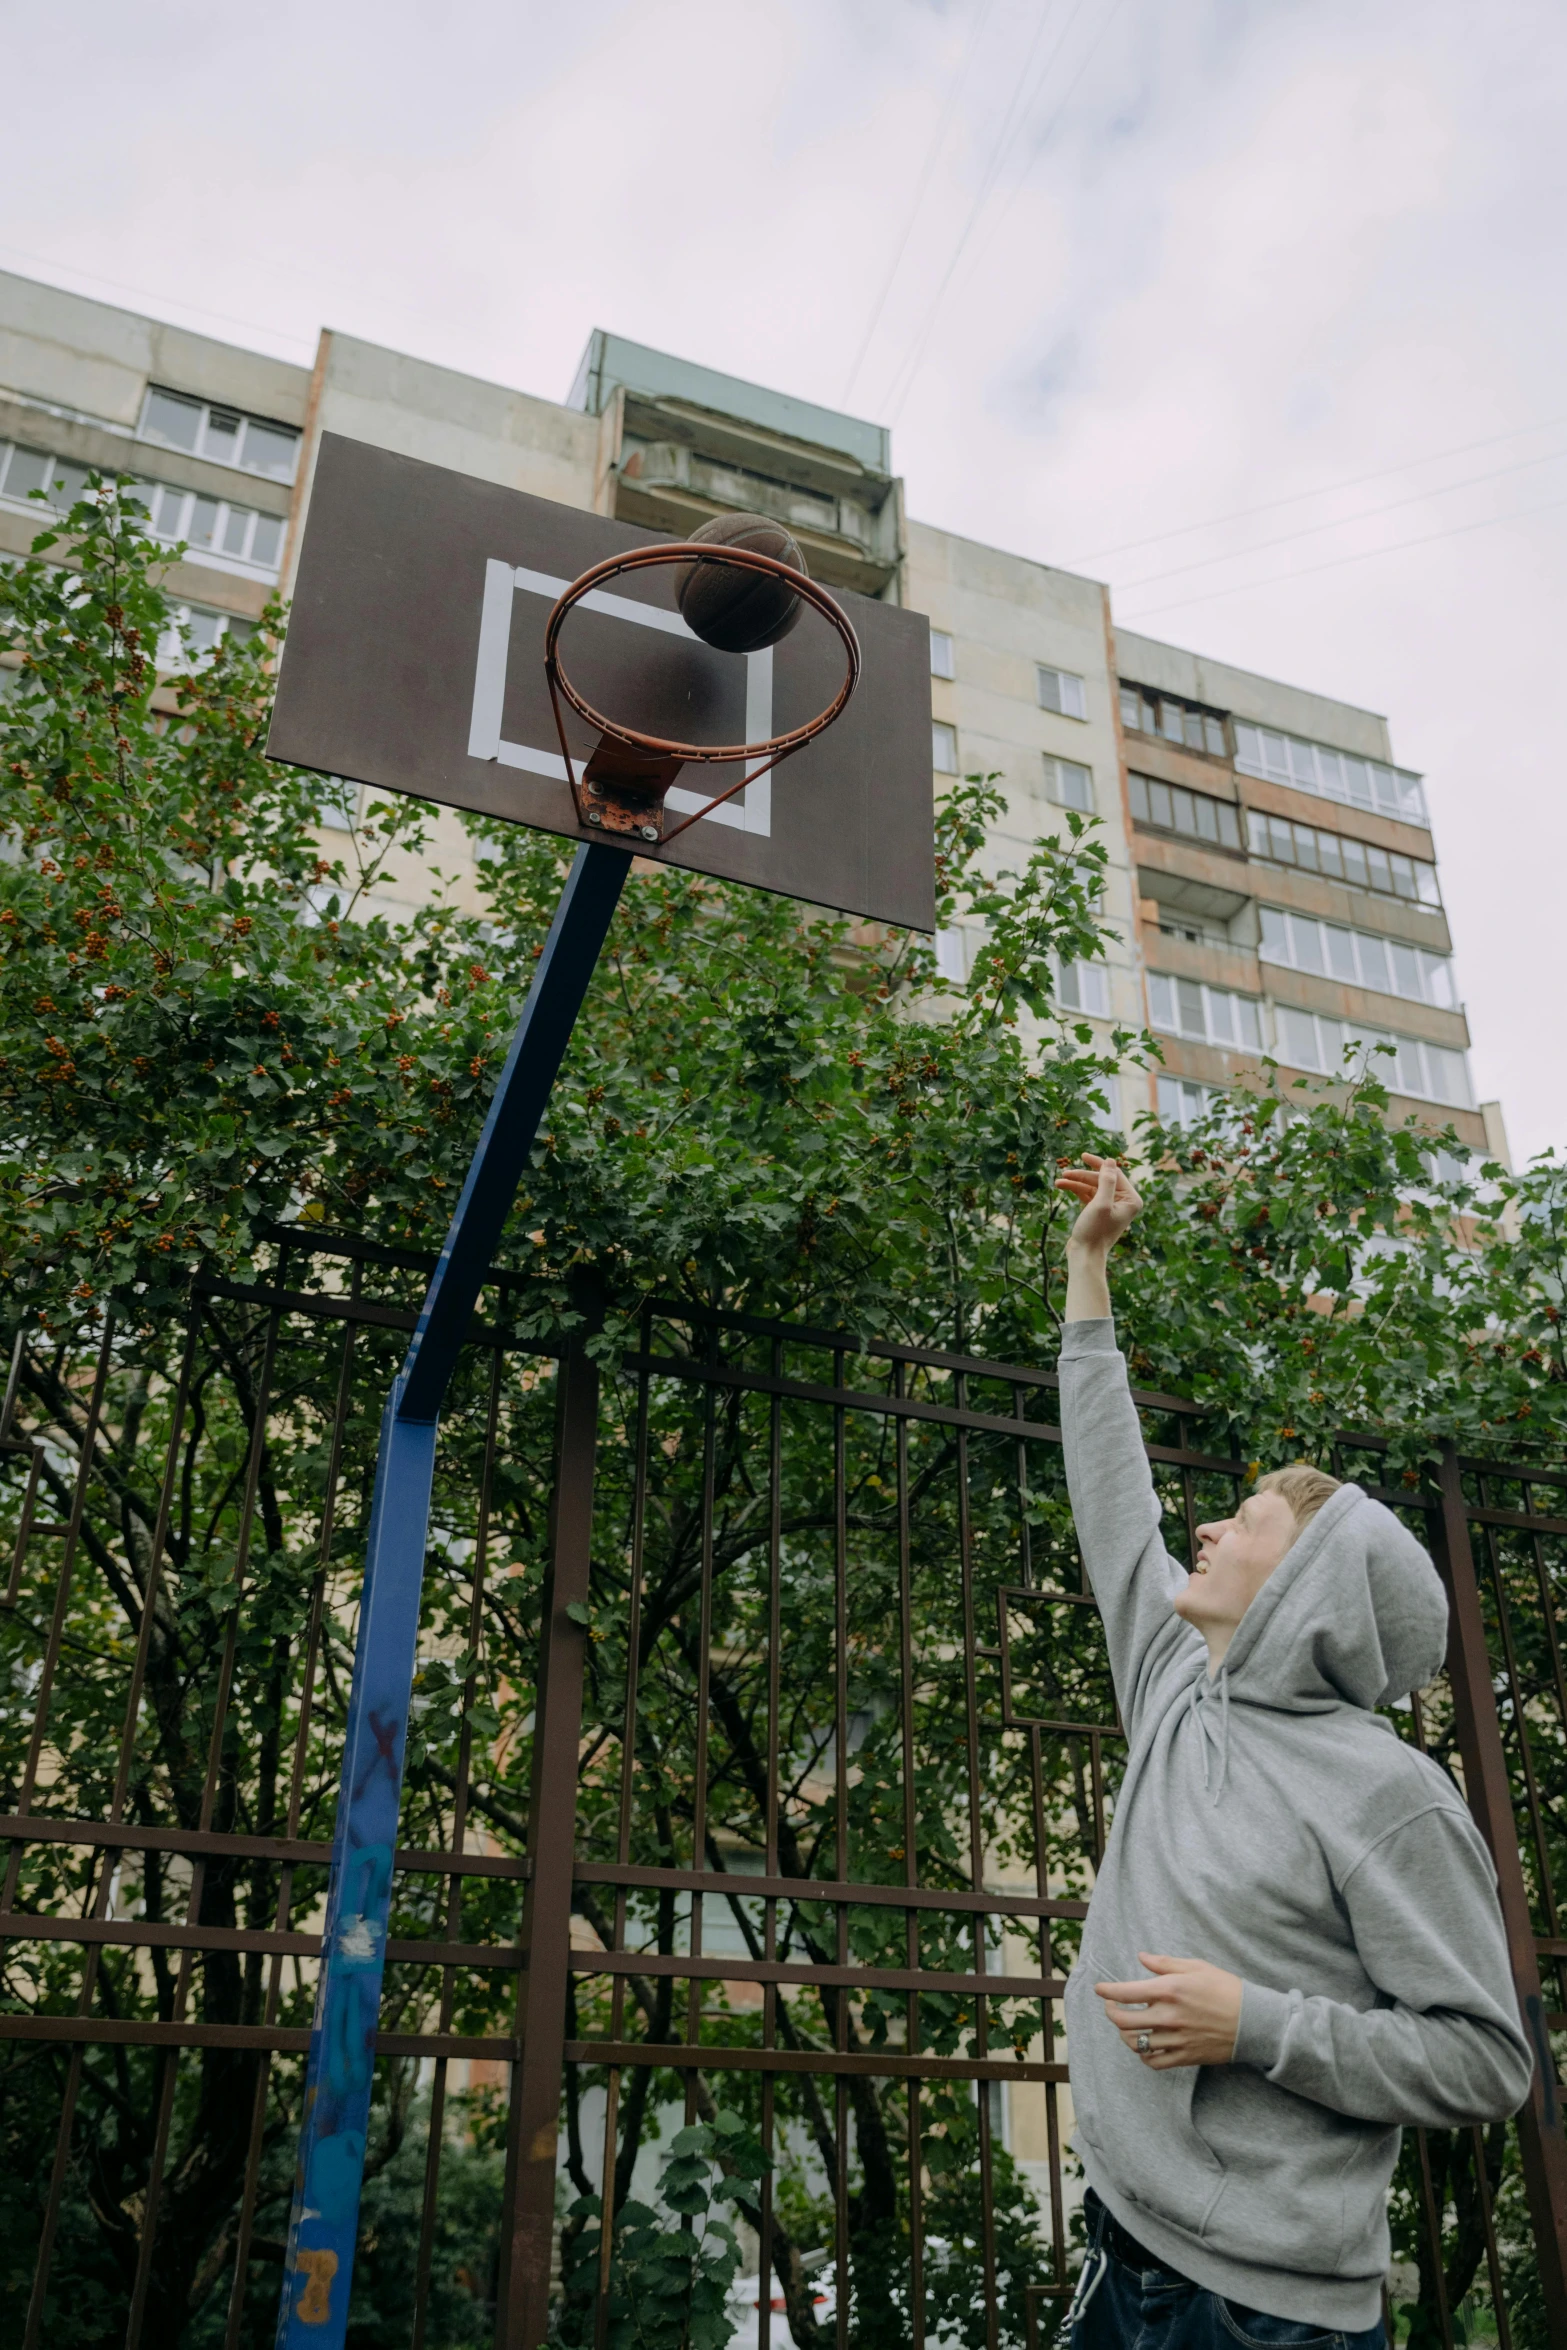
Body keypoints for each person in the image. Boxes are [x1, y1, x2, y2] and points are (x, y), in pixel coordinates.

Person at [1051, 1154, 1532, 2349]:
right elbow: (1114, 1495)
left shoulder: (1386, 1793)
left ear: (1305, 1591)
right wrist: (1087, 1266)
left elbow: (1484, 2063)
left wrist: (1252, 2025)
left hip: (1263, 2313)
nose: (1204, 1525)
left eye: (1246, 1519)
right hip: (1121, 2250)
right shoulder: (1174, 1683)